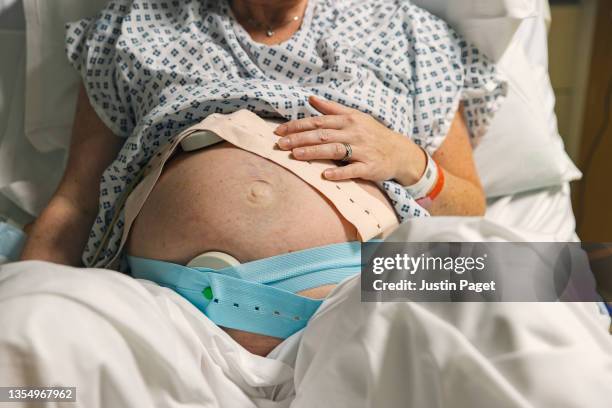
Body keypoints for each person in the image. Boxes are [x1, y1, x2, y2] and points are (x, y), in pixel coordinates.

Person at [19, 0, 506, 354]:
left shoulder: (409, 33)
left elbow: (469, 207)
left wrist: (408, 160)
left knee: (549, 299)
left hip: (363, 302)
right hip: (161, 311)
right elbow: (77, 203)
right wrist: (24, 292)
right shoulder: (136, 24)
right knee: (25, 353)